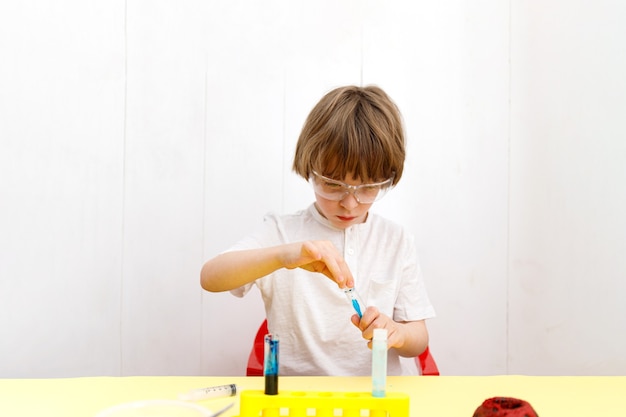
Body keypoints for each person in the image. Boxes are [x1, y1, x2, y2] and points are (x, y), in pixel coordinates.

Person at [201, 85, 435, 376]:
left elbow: (419, 338)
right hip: (296, 402)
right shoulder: (282, 233)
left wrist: (397, 333)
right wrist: (285, 255)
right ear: (309, 168)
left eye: (368, 187)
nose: (350, 202)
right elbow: (210, 277)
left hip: (375, 401)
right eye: (333, 184)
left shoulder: (396, 241)